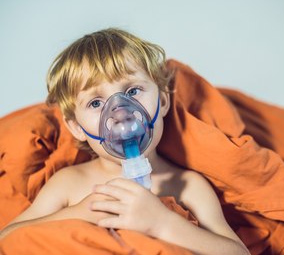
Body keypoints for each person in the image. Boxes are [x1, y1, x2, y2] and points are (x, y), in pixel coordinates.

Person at [0, 28, 249, 255]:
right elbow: (7, 239)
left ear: (162, 101)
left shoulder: (189, 186)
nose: (120, 112)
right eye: (96, 103)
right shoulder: (69, 184)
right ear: (77, 127)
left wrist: (163, 224)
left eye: (132, 91)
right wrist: (76, 214)